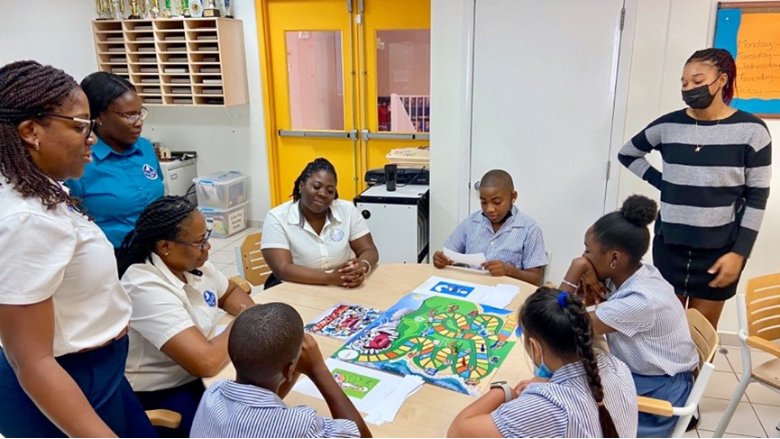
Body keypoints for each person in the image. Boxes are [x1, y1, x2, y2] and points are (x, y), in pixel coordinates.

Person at [0, 60, 155, 437]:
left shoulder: (39, 187)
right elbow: (33, 361)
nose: (91, 138)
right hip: (67, 378)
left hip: (100, 368)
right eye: (80, 126)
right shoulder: (27, 220)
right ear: (30, 131)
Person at [618, 48, 772, 329]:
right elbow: (628, 153)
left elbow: (757, 197)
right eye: (684, 82)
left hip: (719, 252)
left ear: (721, 80)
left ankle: (695, 375)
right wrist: (662, 182)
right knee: (666, 335)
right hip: (670, 246)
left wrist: (740, 253)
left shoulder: (752, 130)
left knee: (700, 337)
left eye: (697, 80)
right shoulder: (668, 125)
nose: (689, 88)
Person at [117, 195, 256, 437]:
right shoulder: (143, 285)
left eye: (207, 237)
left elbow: (231, 291)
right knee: (247, 425)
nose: (207, 248)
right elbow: (206, 362)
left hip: (200, 373)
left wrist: (247, 312)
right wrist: (246, 320)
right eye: (200, 242)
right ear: (165, 247)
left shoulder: (192, 264)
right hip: (164, 391)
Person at [559, 195, 698, 437]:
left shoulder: (640, 300)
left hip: (660, 391)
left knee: (568, 401)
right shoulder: (641, 273)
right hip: (655, 375)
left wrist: (575, 270)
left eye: (587, 251)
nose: (584, 257)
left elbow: (557, 323)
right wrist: (594, 283)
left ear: (614, 258)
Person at [447, 287, 638, 437]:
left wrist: (504, 391)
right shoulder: (617, 366)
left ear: (535, 348)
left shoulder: (548, 406)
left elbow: (458, 432)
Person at [190, 302, 372, 438]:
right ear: (289, 370)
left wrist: (290, 364)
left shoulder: (213, 393)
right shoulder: (300, 426)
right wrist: (318, 369)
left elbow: (262, 402)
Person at [65, 71, 164, 249]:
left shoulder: (146, 148)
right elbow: (72, 224)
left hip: (157, 251)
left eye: (140, 113)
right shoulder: (80, 161)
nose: (139, 122)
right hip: (113, 256)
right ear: (100, 116)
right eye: (129, 115)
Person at [261, 158, 379, 289]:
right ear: (301, 186)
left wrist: (361, 268)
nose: (323, 194)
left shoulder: (348, 210)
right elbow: (282, 269)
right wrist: (331, 279)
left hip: (342, 285)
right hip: (295, 286)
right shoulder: (277, 218)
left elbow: (369, 250)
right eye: (316, 187)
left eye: (330, 191)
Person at [433, 169, 548, 285]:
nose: (489, 209)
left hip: (507, 292)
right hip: (471, 288)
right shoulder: (471, 223)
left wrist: (510, 271)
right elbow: (449, 254)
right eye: (483, 202)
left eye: (497, 202)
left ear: (513, 197)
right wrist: (441, 259)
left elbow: (535, 279)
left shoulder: (529, 229)